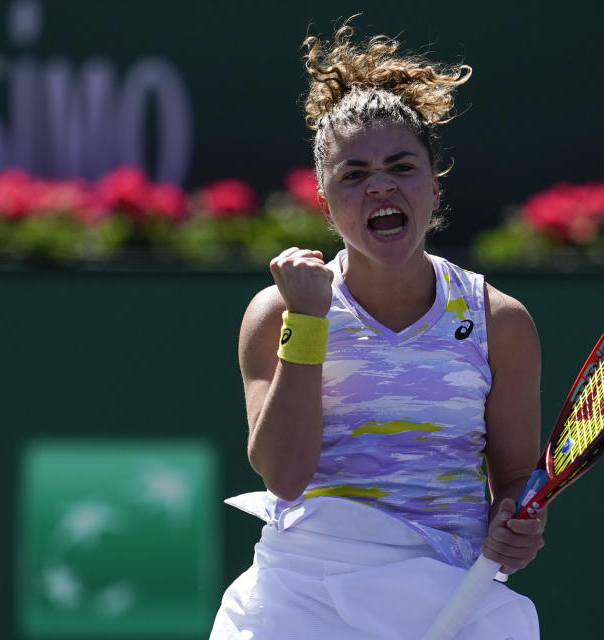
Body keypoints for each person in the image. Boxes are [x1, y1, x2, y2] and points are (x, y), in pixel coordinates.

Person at [210, 17, 545, 639]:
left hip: (451, 597)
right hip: (302, 602)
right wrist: (308, 323)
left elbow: (514, 488)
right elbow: (284, 476)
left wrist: (517, 528)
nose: (381, 186)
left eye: (401, 166)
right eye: (354, 174)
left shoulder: (501, 323)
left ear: (434, 185)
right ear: (323, 198)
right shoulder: (279, 312)